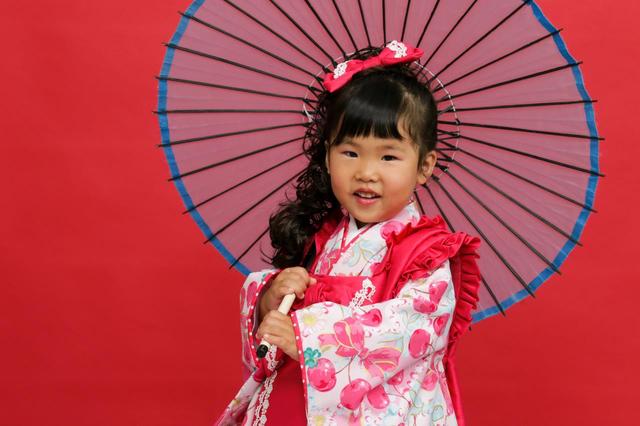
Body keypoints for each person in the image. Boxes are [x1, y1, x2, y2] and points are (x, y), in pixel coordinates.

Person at [216, 41, 481, 426]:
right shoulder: (322, 238)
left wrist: (309, 340)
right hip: (297, 403)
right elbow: (273, 328)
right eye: (350, 153)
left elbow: (411, 328)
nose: (366, 173)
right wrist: (269, 298)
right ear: (327, 156)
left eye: (388, 156)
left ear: (424, 166)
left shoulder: (425, 252)